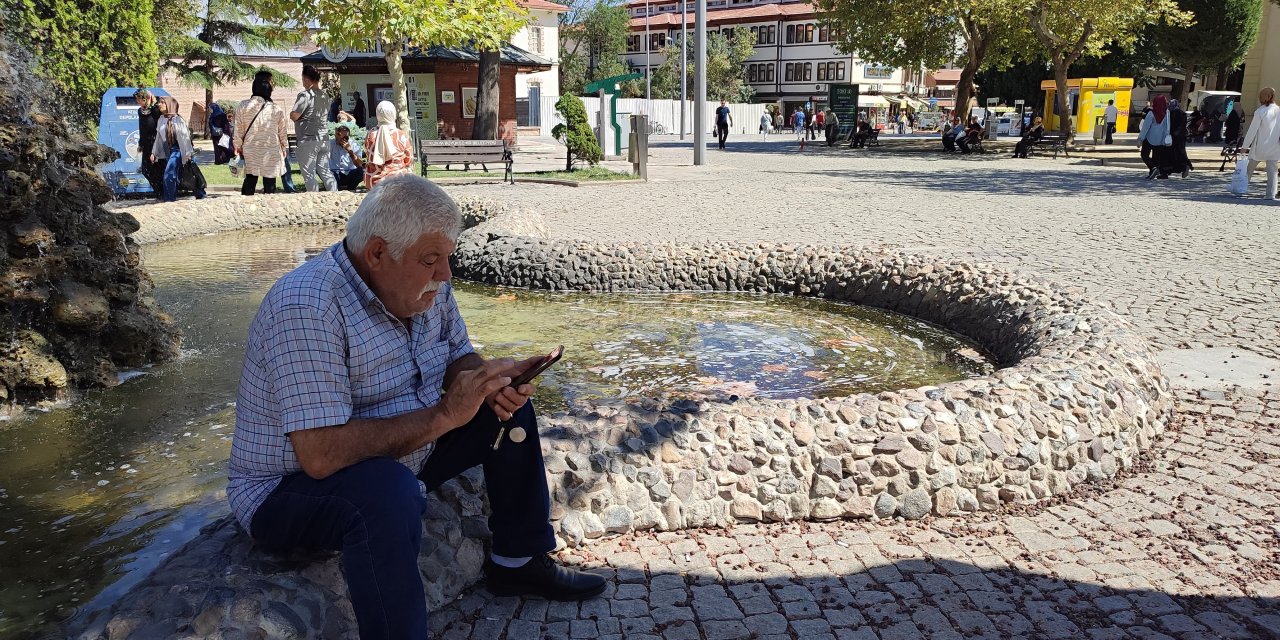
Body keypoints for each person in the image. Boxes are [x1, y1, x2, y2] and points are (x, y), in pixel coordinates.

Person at [228, 174, 607, 639]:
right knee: (385, 494)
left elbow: (457, 355)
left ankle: (518, 561)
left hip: (404, 452)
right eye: (431, 260)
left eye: (446, 258)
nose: (445, 275)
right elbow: (321, 455)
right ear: (377, 254)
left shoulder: (427, 283)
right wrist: (445, 415)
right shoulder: (307, 306)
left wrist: (484, 381)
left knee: (508, 411)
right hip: (289, 490)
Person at [235, 71, 289, 195]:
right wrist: (284, 146)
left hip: (250, 149)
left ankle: (245, 208)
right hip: (271, 149)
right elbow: (282, 131)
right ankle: (268, 209)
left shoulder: (243, 106)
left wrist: (238, 146)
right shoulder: (276, 109)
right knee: (270, 182)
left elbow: (238, 129)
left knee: (250, 180)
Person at [291, 65, 339, 192]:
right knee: (325, 171)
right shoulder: (325, 96)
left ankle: (314, 200)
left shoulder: (305, 96)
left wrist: (292, 115)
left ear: (307, 79)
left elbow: (295, 115)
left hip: (308, 139)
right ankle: (335, 197)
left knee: (309, 174)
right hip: (324, 138)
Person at [151, 97, 206, 202]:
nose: (159, 104)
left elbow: (185, 138)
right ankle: (200, 193)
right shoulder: (161, 119)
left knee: (170, 173)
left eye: (162, 102)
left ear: (170, 105)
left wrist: (188, 153)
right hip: (168, 150)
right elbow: (158, 137)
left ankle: (169, 199)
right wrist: (154, 152)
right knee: (182, 173)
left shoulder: (178, 120)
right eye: (159, 102)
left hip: (179, 149)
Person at [363, 101, 414, 189]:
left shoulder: (370, 135)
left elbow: (368, 155)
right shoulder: (400, 135)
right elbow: (408, 159)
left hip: (374, 181)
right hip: (398, 180)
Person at [1240, 87, 1280, 201]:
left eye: (1261, 96)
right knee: (1272, 172)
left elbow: (1252, 131)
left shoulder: (1260, 111)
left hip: (1260, 147)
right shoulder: (1278, 111)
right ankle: (1270, 194)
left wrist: (1244, 147)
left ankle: (1241, 189)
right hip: (1275, 147)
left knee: (1249, 169)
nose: (1260, 98)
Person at [1137, 94, 1173, 179]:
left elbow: (1146, 127)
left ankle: (1153, 169)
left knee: (1144, 155)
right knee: (1156, 158)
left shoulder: (1151, 113)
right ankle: (1153, 170)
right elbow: (1168, 126)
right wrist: (1166, 137)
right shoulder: (1167, 113)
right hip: (1160, 140)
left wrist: (1140, 138)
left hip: (1149, 138)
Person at [134, 89, 163, 194]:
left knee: (157, 168)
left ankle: (161, 191)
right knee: (145, 169)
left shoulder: (156, 110)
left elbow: (159, 128)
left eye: (139, 99)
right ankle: (157, 189)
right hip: (146, 144)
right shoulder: (140, 111)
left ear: (146, 99)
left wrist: (155, 149)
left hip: (156, 143)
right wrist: (140, 144)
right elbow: (142, 128)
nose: (138, 101)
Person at [328, 125, 365, 190]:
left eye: (346, 137)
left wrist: (350, 152)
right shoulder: (330, 144)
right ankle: (336, 187)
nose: (344, 139)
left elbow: (359, 165)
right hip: (335, 173)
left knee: (362, 171)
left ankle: (350, 188)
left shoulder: (354, 145)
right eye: (341, 136)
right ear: (336, 135)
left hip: (349, 172)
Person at [1168, 99, 1191, 178]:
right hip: (1181, 136)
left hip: (1173, 136)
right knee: (1181, 151)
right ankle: (1185, 166)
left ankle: (1179, 168)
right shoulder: (1183, 114)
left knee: (1173, 153)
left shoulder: (1171, 113)